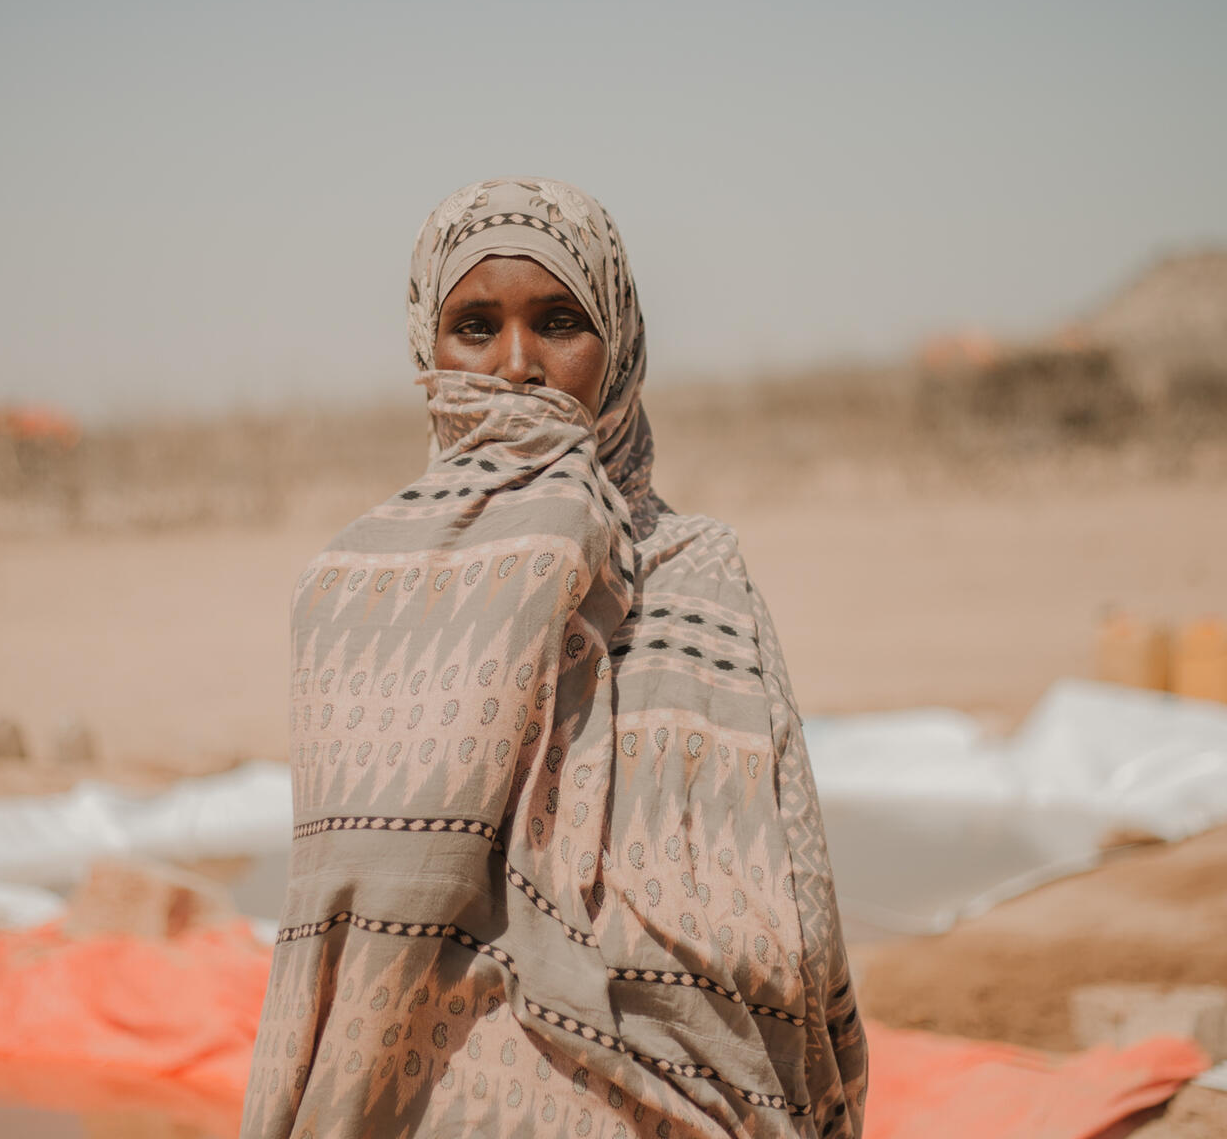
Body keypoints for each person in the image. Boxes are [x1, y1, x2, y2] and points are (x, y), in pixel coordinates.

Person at [241, 178, 868, 1138]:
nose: (517, 367)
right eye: (476, 326)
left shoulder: (698, 574)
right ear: (428, 347)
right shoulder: (354, 594)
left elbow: (795, 913)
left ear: (618, 348)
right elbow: (342, 937)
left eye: (560, 321)